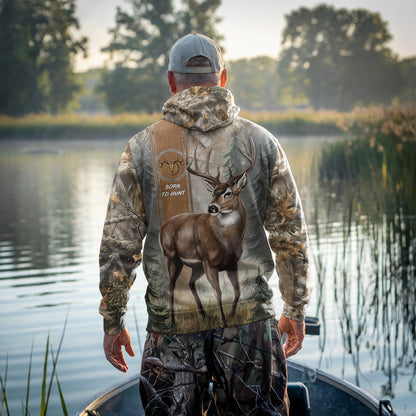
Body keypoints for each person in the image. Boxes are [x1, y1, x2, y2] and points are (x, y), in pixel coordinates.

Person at [99, 33, 309, 415]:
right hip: (251, 326)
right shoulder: (263, 142)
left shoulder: (142, 147)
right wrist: (295, 308)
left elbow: (119, 245)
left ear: (171, 80)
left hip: (172, 330)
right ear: (223, 77)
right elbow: (290, 237)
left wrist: (113, 321)